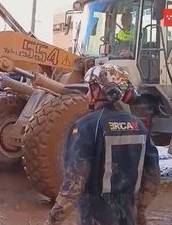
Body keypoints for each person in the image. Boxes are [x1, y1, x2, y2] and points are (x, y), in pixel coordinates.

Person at [44, 63, 160, 225]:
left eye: (90, 87)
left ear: (99, 90)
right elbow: (152, 177)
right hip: (128, 214)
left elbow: (73, 184)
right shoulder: (138, 125)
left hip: (96, 215)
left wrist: (52, 221)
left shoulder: (85, 126)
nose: (87, 94)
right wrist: (139, 212)